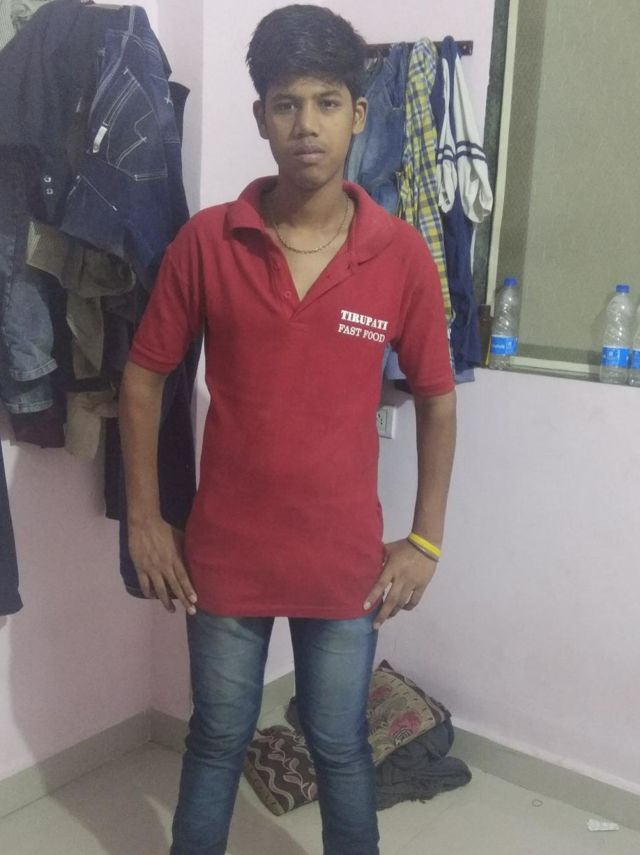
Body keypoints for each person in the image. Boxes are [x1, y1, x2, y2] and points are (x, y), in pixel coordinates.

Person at [119, 5, 456, 854]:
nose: (307, 124)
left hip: (344, 564)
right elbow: (144, 375)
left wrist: (426, 538)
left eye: (327, 102)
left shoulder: (400, 256)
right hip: (224, 556)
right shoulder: (207, 242)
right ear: (261, 116)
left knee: (341, 745)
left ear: (359, 114)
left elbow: (437, 397)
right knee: (216, 739)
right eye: (286, 103)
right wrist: (146, 518)